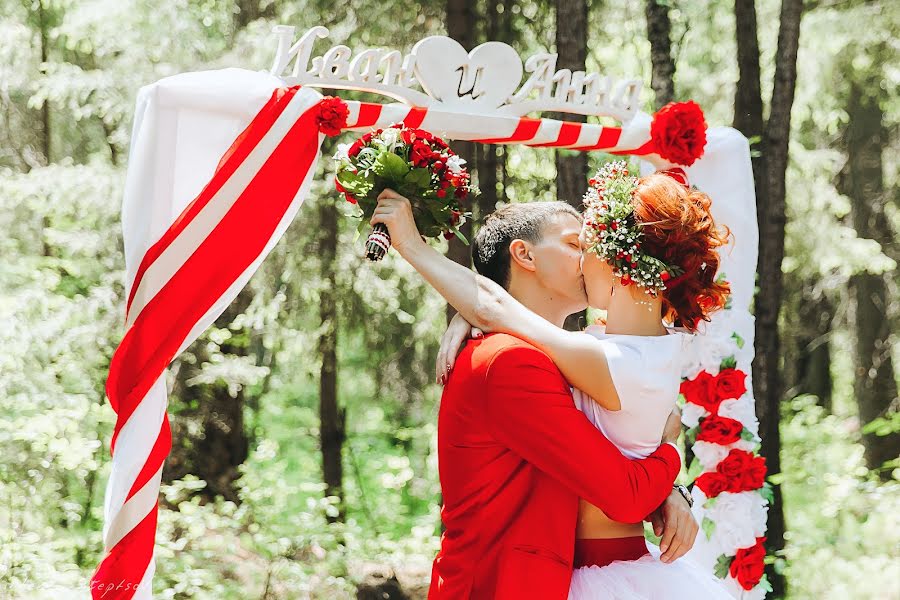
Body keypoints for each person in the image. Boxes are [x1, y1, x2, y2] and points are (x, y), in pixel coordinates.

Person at [372, 162, 733, 598]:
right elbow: (624, 486)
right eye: (575, 244)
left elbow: (632, 425)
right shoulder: (510, 361)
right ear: (525, 256)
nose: (594, 255)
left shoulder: (571, 352)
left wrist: (668, 489)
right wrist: (667, 457)